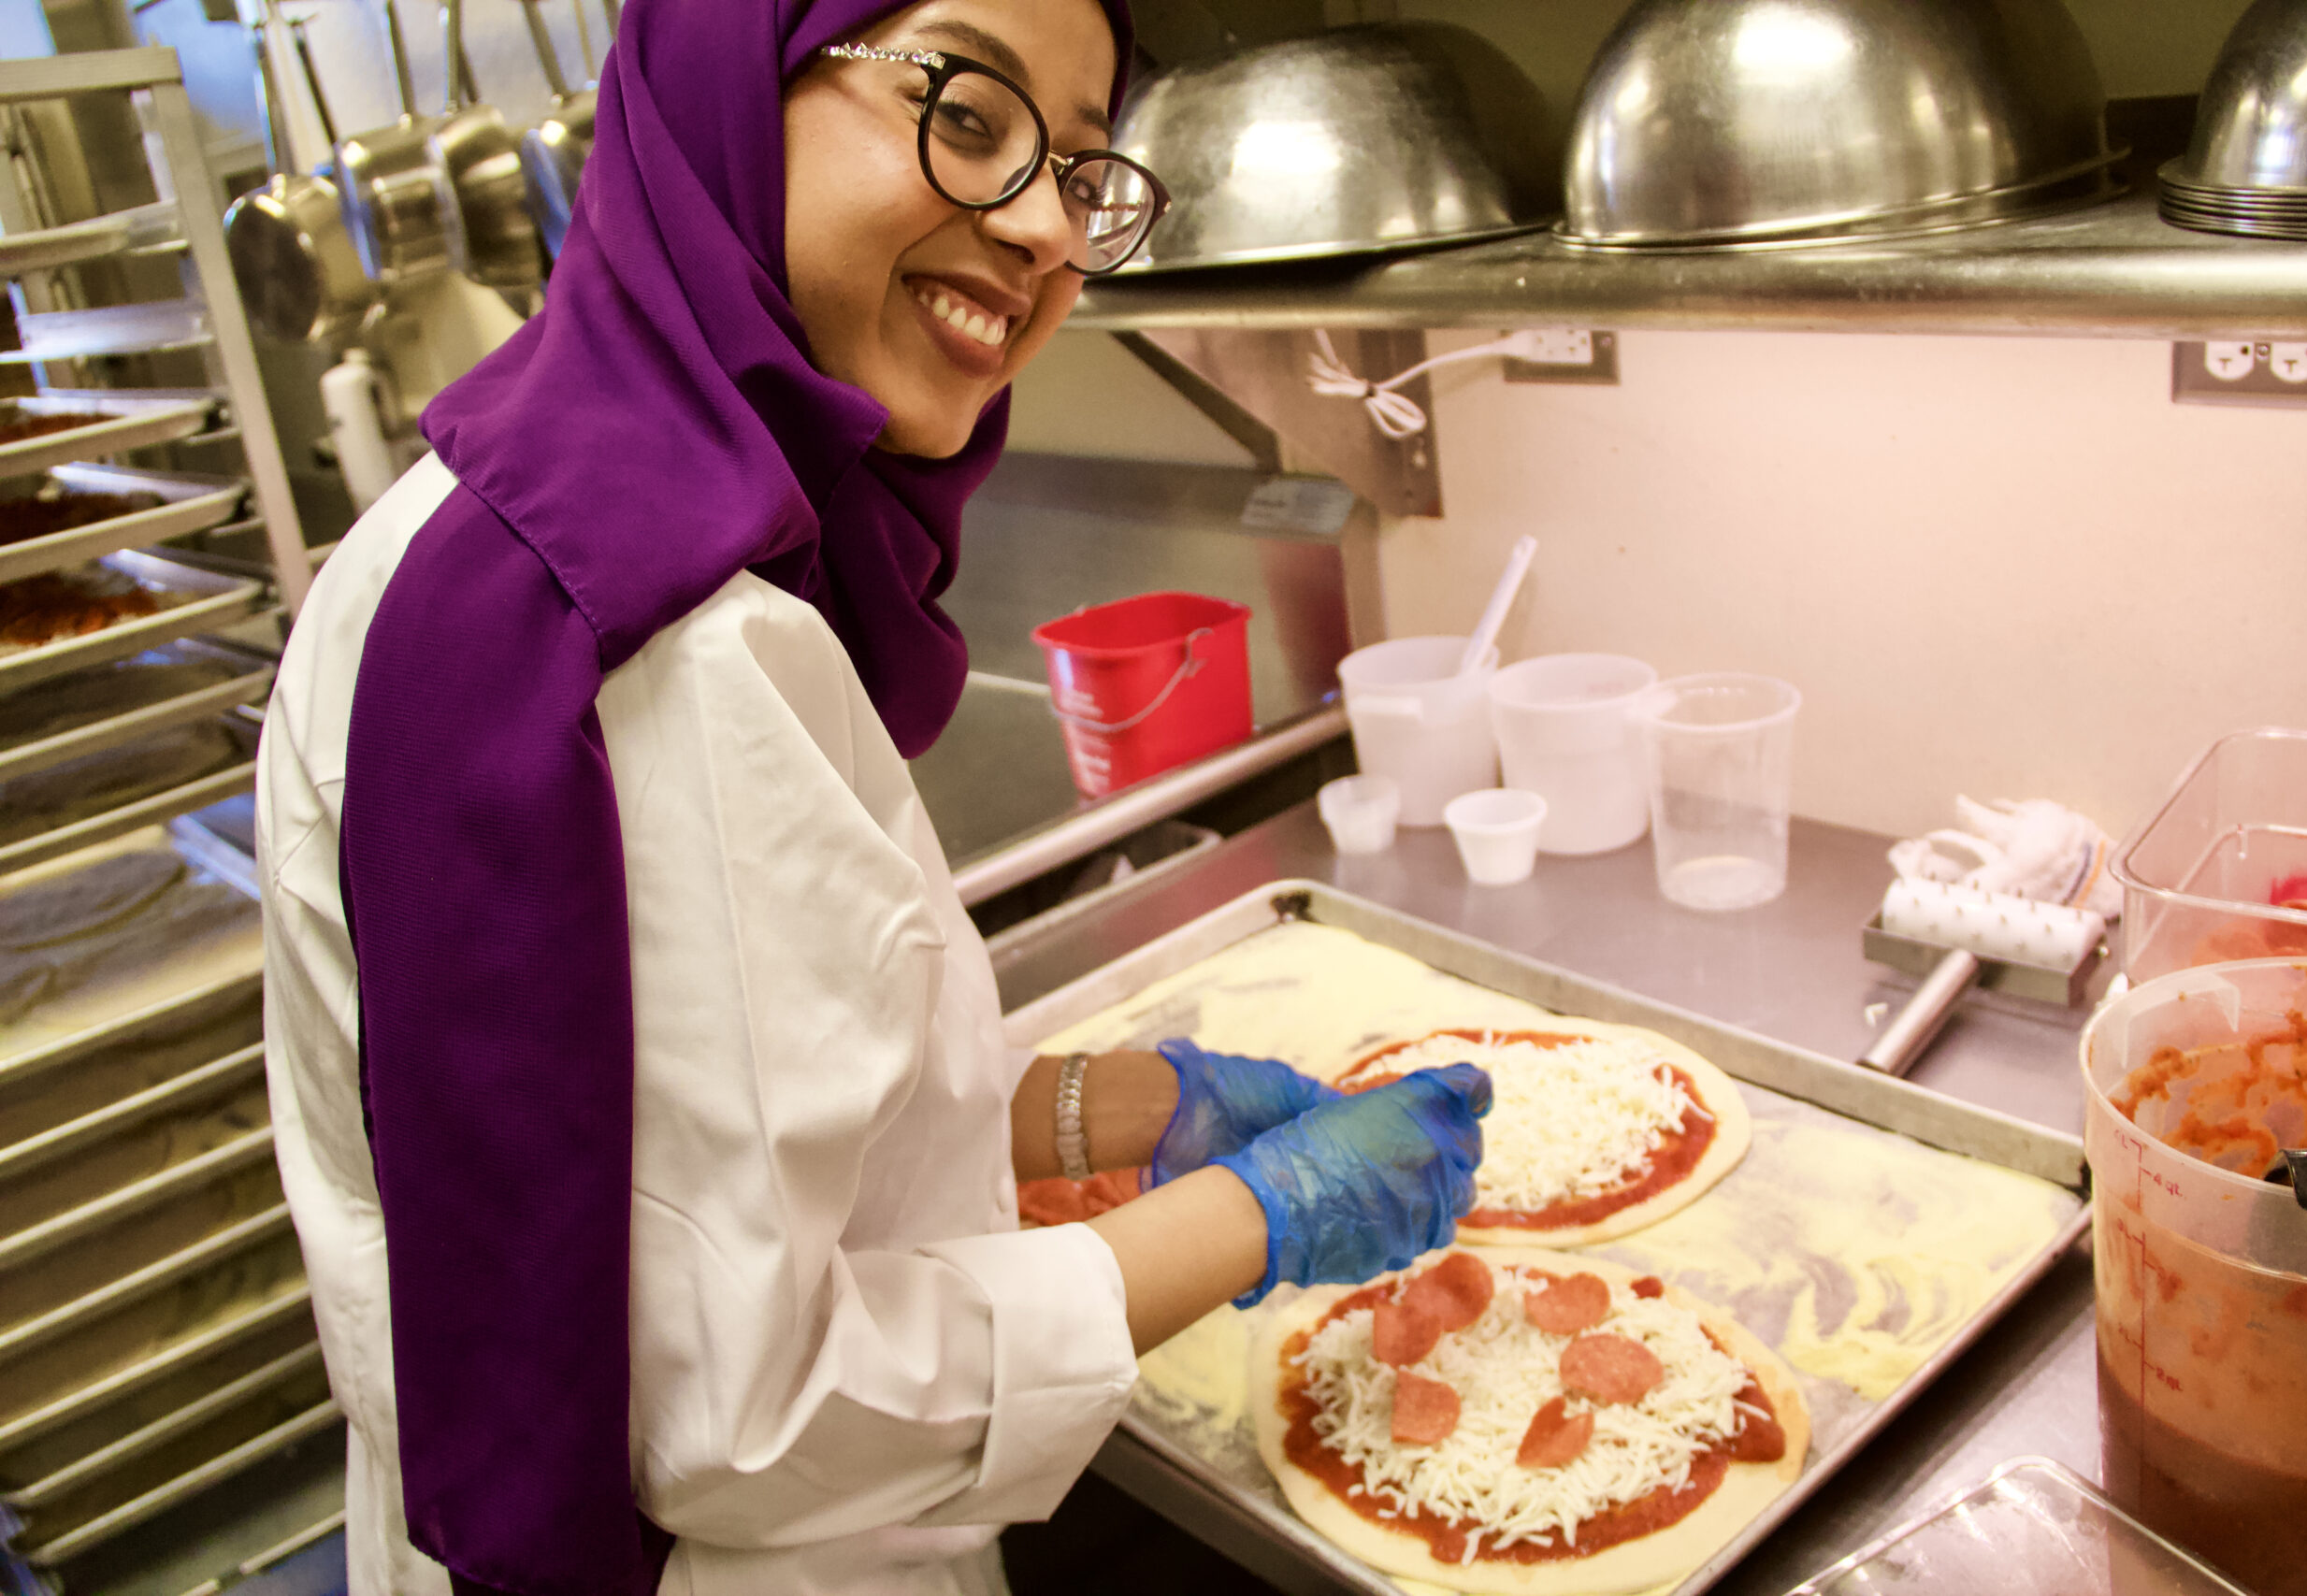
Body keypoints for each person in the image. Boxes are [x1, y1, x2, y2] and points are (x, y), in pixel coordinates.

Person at [254, 1, 1492, 1592]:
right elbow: (741, 1412)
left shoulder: (496, 512)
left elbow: (663, 1158)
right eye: (967, 114)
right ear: (726, 82)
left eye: (1082, 164)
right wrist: (1262, 1216)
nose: (1047, 228)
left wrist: (1092, 1110)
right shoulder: (675, 652)